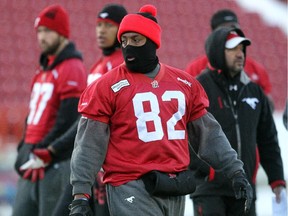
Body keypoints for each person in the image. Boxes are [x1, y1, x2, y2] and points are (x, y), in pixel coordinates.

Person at [68, 5, 253, 216]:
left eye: (136, 40)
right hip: (130, 186)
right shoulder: (106, 86)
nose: (129, 46)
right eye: (124, 40)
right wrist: (80, 194)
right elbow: (89, 144)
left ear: (152, 41)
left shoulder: (184, 83)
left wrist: (236, 171)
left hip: (174, 186)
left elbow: (209, 135)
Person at [190, 27, 286, 216]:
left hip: (244, 189)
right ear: (218, 51)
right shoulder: (199, 87)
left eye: (242, 49)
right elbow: (185, 135)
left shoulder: (254, 91)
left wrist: (277, 180)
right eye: (232, 49)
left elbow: (268, 139)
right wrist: (205, 172)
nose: (240, 54)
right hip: (209, 191)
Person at [52, 4, 128, 216]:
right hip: (88, 161)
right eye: (99, 25)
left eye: (108, 26)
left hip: (107, 164)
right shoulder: (97, 66)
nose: (101, 31)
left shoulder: (120, 67)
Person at [12, 4, 87, 216]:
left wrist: (45, 149)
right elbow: (32, 116)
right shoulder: (43, 69)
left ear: (62, 33)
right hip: (33, 158)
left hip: (53, 162)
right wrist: (24, 148)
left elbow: (69, 118)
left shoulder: (71, 67)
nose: (42, 37)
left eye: (48, 31)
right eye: (39, 31)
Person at [185, 9, 274, 111]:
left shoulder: (256, 68)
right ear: (214, 35)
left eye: (234, 28)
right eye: (224, 29)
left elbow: (268, 107)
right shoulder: (195, 67)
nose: (230, 33)